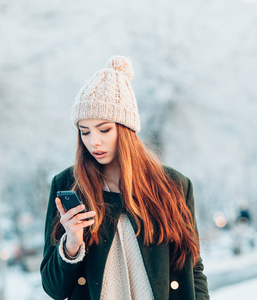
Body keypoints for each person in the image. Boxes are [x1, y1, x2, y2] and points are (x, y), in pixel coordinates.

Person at [40, 56, 210, 300]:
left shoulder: (173, 186)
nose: (93, 141)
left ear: (126, 128)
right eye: (84, 132)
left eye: (104, 129)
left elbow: (193, 269)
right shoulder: (68, 185)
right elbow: (53, 288)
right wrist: (72, 243)